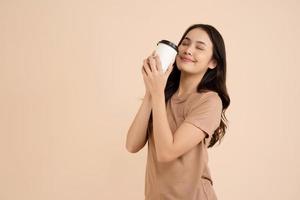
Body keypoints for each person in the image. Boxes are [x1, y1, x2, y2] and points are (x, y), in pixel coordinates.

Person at [126, 24, 230, 200]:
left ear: (213, 62)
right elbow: (132, 145)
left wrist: (157, 93)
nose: (188, 50)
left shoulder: (210, 101)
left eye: (199, 47)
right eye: (185, 43)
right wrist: (151, 92)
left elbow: (167, 152)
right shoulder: (162, 94)